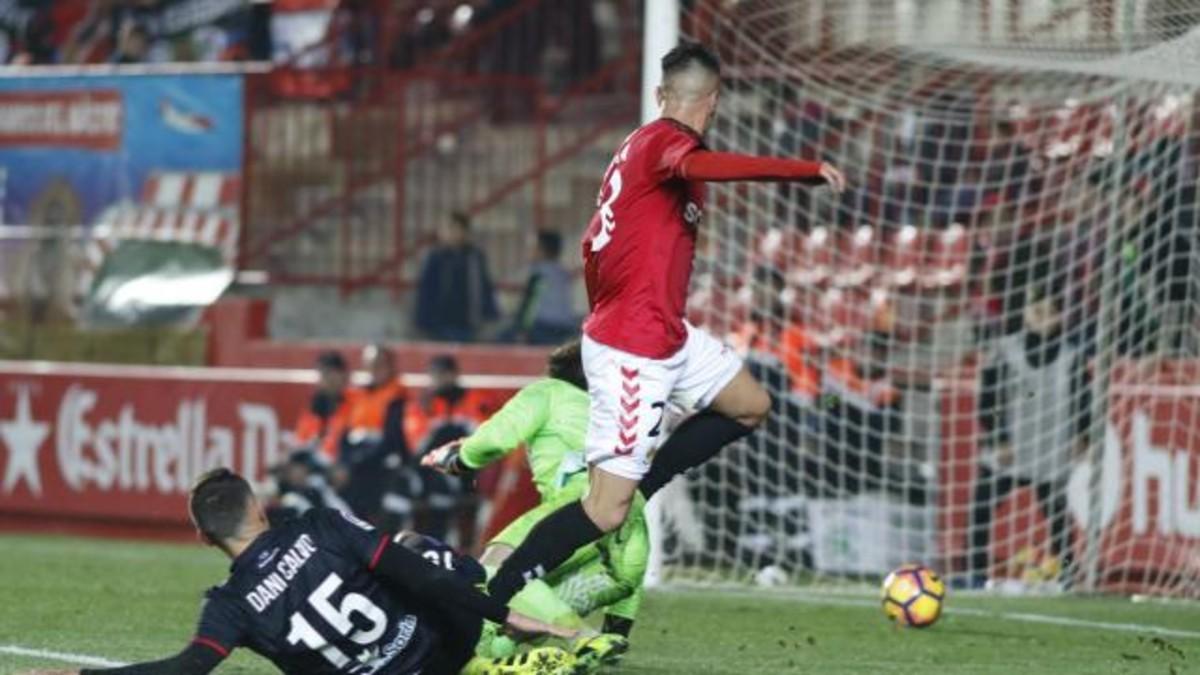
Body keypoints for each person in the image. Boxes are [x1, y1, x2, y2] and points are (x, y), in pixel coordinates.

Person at [483, 42, 845, 606]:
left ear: (661, 94)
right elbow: (699, 163)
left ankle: (643, 483)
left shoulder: (639, 146)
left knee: (750, 404)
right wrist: (803, 172)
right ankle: (495, 597)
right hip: (634, 347)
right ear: (715, 101)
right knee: (603, 511)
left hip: (661, 330)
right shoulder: (666, 143)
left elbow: (593, 246)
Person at [39, 468, 577, 675]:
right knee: (417, 549)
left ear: (205, 538)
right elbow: (421, 577)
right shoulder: (320, 527)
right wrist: (507, 614)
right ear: (260, 508)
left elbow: (186, 670)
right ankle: (506, 655)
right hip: (441, 652)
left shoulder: (229, 604)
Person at [422, 340, 645, 660]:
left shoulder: (549, 392)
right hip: (627, 542)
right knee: (512, 616)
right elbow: (634, 557)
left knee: (496, 571)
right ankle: (592, 644)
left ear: (555, 372)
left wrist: (460, 458)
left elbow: (497, 438)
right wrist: (618, 628)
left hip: (578, 506)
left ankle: (583, 638)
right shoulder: (619, 416)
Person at [969, 280, 1090, 588]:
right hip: (1010, 449)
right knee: (981, 508)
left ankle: (1068, 574)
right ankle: (974, 573)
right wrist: (998, 437)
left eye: (1049, 312)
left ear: (1060, 316)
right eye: (1036, 311)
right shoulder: (1004, 352)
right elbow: (988, 399)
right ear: (1025, 314)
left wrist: (1082, 435)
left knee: (1058, 519)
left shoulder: (1071, 356)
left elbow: (1083, 400)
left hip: (1050, 450)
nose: (1042, 318)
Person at [400, 355, 493, 543]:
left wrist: (456, 429)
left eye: (443, 374)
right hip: (430, 469)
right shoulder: (423, 404)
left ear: (454, 375)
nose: (438, 380)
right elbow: (417, 445)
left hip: (468, 467)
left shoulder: (475, 398)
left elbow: (485, 436)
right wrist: (441, 427)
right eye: (434, 375)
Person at [338, 344, 410, 521]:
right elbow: (345, 433)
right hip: (356, 460)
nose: (374, 370)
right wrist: (345, 462)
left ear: (390, 366)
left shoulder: (397, 396)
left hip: (380, 463)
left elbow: (392, 440)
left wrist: (356, 464)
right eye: (370, 365)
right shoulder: (357, 396)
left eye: (379, 364)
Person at [415, 212, 499, 343]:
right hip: (439, 322)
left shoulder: (474, 257)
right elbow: (426, 289)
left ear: (465, 231)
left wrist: (489, 312)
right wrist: (423, 319)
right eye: (447, 229)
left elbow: (484, 287)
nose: (449, 233)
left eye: (454, 228)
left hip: (466, 321)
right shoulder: (435, 257)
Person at [508, 230, 579, 345]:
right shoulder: (561, 272)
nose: (529, 251)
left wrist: (521, 330)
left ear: (541, 251)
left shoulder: (540, 273)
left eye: (532, 248)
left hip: (543, 328)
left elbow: (530, 305)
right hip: (565, 327)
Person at [292, 350, 358, 461]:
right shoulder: (314, 406)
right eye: (325, 374)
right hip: (315, 462)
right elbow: (301, 439)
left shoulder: (356, 402)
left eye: (333, 373)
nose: (329, 380)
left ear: (344, 376)